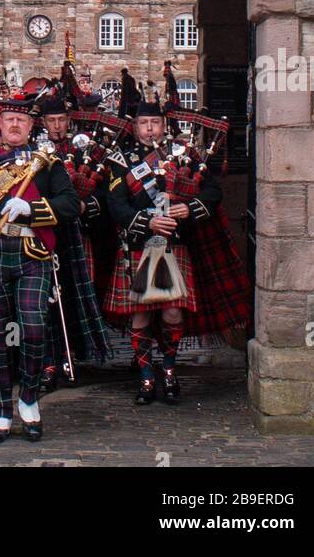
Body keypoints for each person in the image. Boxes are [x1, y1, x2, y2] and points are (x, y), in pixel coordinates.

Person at [0, 90, 80, 444]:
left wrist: (32, 210)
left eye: (22, 120)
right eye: (9, 119)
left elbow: (70, 204)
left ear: (30, 125)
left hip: (32, 252)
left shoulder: (47, 162)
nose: (15, 125)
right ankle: (0, 410)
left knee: (34, 327)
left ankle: (29, 398)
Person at [103, 98, 250, 406]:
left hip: (175, 243)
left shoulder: (182, 154)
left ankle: (168, 369)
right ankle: (145, 376)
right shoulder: (121, 160)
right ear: (134, 127)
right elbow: (115, 204)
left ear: (163, 125)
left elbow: (213, 191)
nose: (149, 129)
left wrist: (189, 208)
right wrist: (148, 220)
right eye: (143, 124)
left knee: (172, 311)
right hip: (139, 244)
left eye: (154, 123)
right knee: (140, 313)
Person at [37, 92, 110, 393]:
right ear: (43, 122)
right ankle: (49, 358)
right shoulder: (35, 151)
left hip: (77, 235)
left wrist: (84, 206)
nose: (57, 126)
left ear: (69, 121)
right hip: (44, 232)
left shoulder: (85, 151)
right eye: (51, 121)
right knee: (45, 298)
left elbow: (103, 195)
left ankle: (74, 353)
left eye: (61, 120)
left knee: (75, 294)